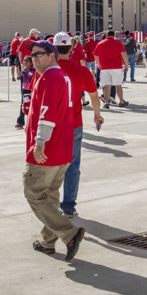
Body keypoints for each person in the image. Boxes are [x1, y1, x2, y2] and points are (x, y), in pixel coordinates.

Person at [22, 41, 86, 260]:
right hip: (63, 149)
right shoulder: (63, 77)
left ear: (53, 56)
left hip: (47, 150)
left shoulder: (49, 77)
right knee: (50, 196)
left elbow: (47, 113)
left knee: (33, 193)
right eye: (32, 56)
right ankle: (48, 242)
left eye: (39, 54)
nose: (34, 59)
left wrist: (39, 141)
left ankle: (70, 233)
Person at [54, 32, 104, 217]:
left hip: (52, 124)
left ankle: (49, 204)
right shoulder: (81, 71)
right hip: (73, 124)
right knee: (72, 166)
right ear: (72, 48)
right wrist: (97, 115)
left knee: (51, 165)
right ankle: (68, 205)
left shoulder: (47, 70)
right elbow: (93, 95)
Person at [94, 29, 128, 108]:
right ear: (113, 35)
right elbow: (124, 54)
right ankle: (122, 101)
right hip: (116, 66)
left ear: (106, 35)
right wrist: (126, 64)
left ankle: (106, 103)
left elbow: (95, 55)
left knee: (107, 85)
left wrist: (98, 64)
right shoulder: (118, 43)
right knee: (118, 85)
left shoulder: (100, 43)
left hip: (105, 67)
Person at [15, 55, 35, 128]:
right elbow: (22, 81)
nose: (25, 63)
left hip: (32, 90)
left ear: (31, 62)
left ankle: (33, 121)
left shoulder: (34, 71)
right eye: (24, 61)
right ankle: (20, 121)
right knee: (23, 105)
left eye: (27, 61)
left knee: (33, 105)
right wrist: (22, 89)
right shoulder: (23, 71)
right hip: (25, 90)